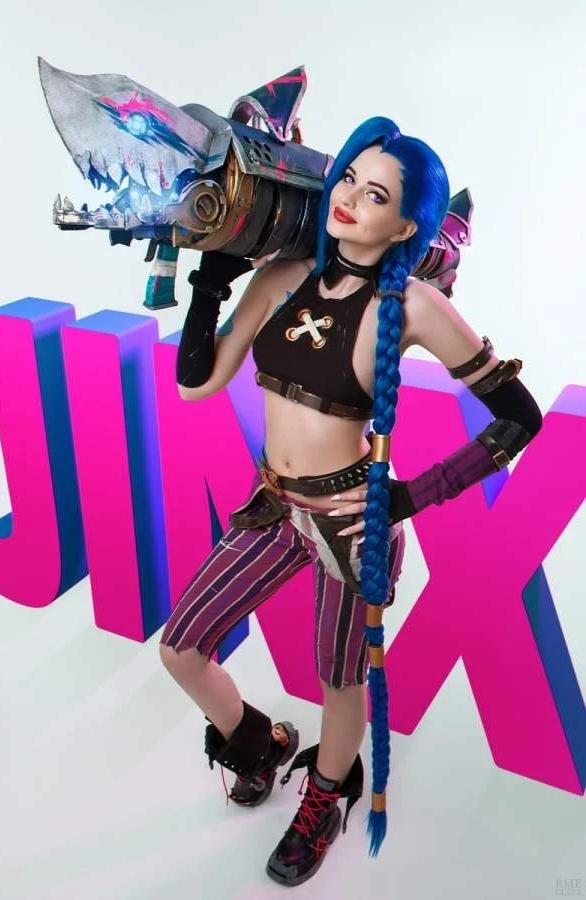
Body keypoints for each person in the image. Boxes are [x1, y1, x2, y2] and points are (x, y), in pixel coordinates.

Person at [159, 117, 542, 887]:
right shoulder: (282, 276)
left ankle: (327, 796)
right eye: (351, 180)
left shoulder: (415, 306)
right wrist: (209, 279)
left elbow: (518, 415)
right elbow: (198, 382)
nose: (350, 199)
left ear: (405, 226)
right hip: (272, 506)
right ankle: (258, 743)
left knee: (339, 680)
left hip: (351, 525)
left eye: (377, 195)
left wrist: (411, 496)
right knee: (180, 649)